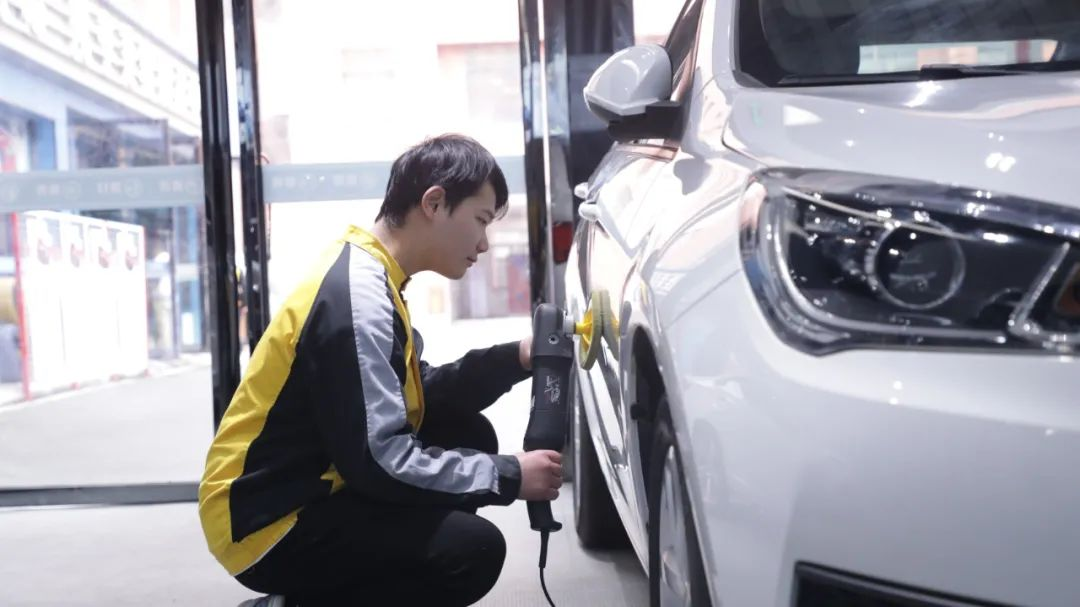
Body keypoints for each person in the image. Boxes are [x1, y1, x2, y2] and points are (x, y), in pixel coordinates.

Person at [199, 134, 564, 607]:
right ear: (434, 203)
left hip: (312, 481)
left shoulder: (373, 272)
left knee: (466, 433)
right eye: (480, 220)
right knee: (469, 551)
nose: (484, 244)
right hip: (266, 520)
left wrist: (516, 357)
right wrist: (510, 476)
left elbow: (418, 392)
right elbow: (379, 460)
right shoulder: (359, 299)